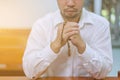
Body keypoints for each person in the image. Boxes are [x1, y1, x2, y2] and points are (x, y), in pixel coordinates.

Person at [22, 0, 113, 79]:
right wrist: (54, 47)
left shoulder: (101, 25)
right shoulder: (41, 25)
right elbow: (30, 72)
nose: (70, 3)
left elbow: (103, 73)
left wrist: (83, 47)